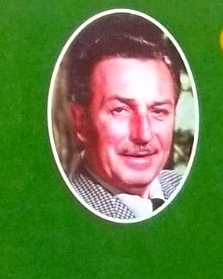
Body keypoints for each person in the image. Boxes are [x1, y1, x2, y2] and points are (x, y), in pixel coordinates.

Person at [61, 13, 188, 222]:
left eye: (158, 111)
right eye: (120, 110)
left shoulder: (184, 188)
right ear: (81, 122)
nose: (143, 134)